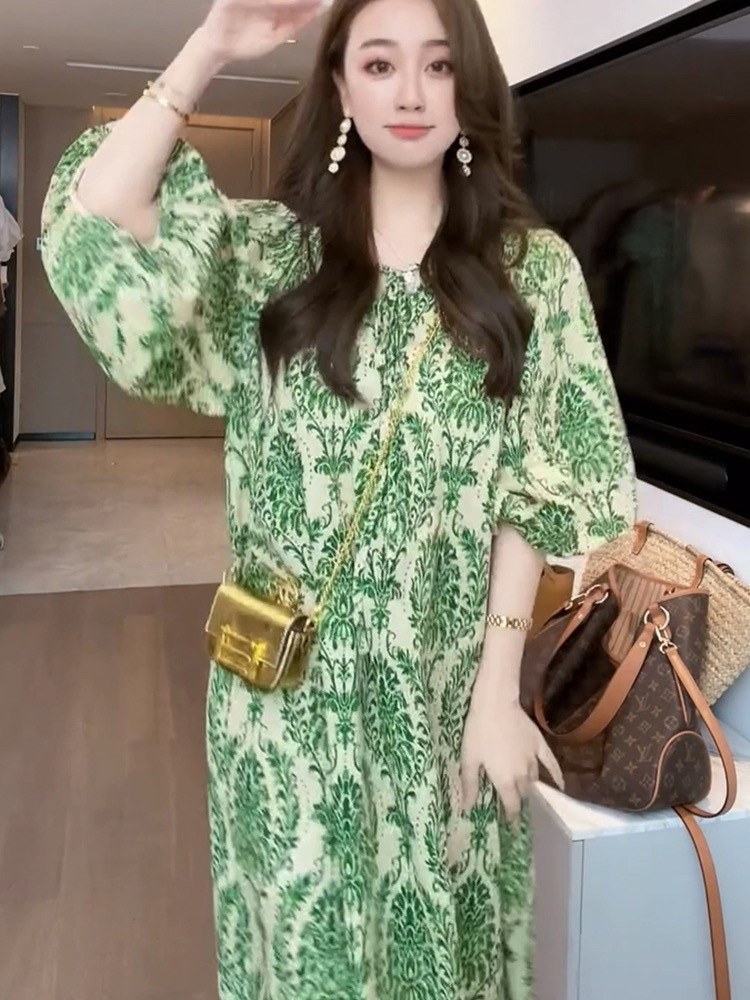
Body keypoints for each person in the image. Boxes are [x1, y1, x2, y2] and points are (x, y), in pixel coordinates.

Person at [40, 0, 637, 996]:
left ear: (470, 89)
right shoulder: (268, 257)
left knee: (436, 959)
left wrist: (496, 694)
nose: (411, 91)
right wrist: (211, 46)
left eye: (439, 66)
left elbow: (532, 490)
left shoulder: (532, 273)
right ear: (341, 88)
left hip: (442, 692)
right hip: (283, 705)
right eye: (380, 63)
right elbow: (95, 221)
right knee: (306, 962)